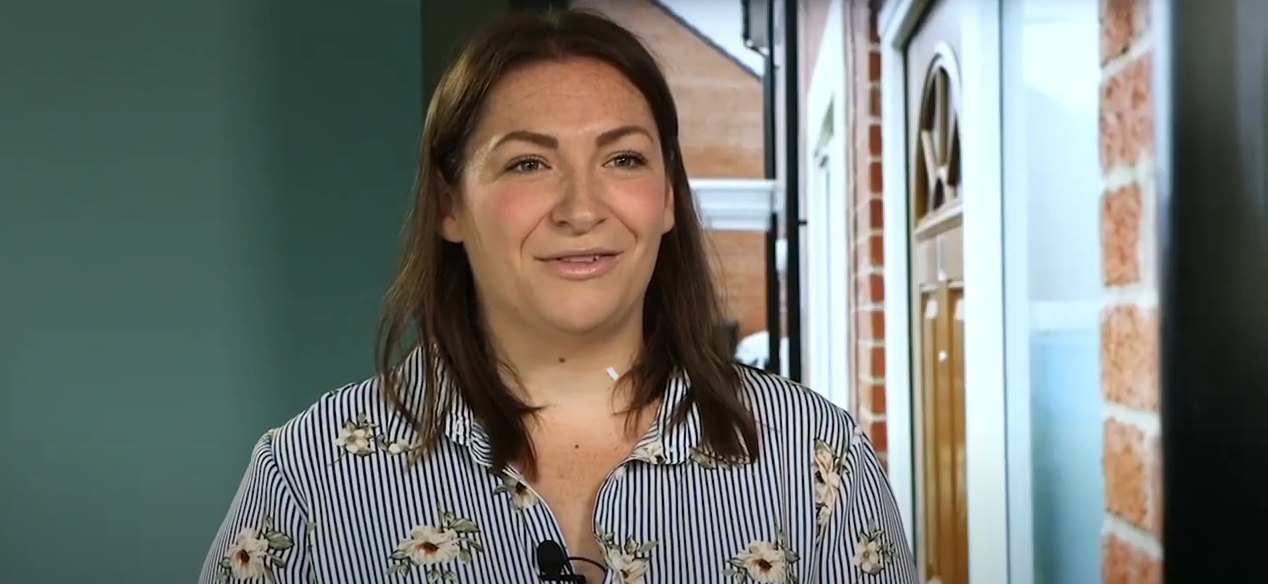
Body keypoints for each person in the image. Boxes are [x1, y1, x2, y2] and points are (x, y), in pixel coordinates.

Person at [199, 8, 916, 584]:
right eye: (528, 163)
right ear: (450, 204)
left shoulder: (816, 459)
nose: (581, 208)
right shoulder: (307, 476)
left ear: (668, 196)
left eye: (623, 158)